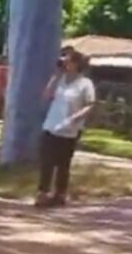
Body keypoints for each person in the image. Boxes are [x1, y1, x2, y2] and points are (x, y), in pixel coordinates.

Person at [36, 49, 96, 207]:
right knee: (46, 161)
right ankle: (43, 193)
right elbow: (46, 96)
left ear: (76, 64)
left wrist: (75, 118)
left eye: (68, 60)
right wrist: (55, 75)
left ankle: (60, 194)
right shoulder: (60, 79)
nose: (64, 63)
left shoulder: (85, 84)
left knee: (63, 163)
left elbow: (90, 105)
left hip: (70, 129)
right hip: (51, 124)